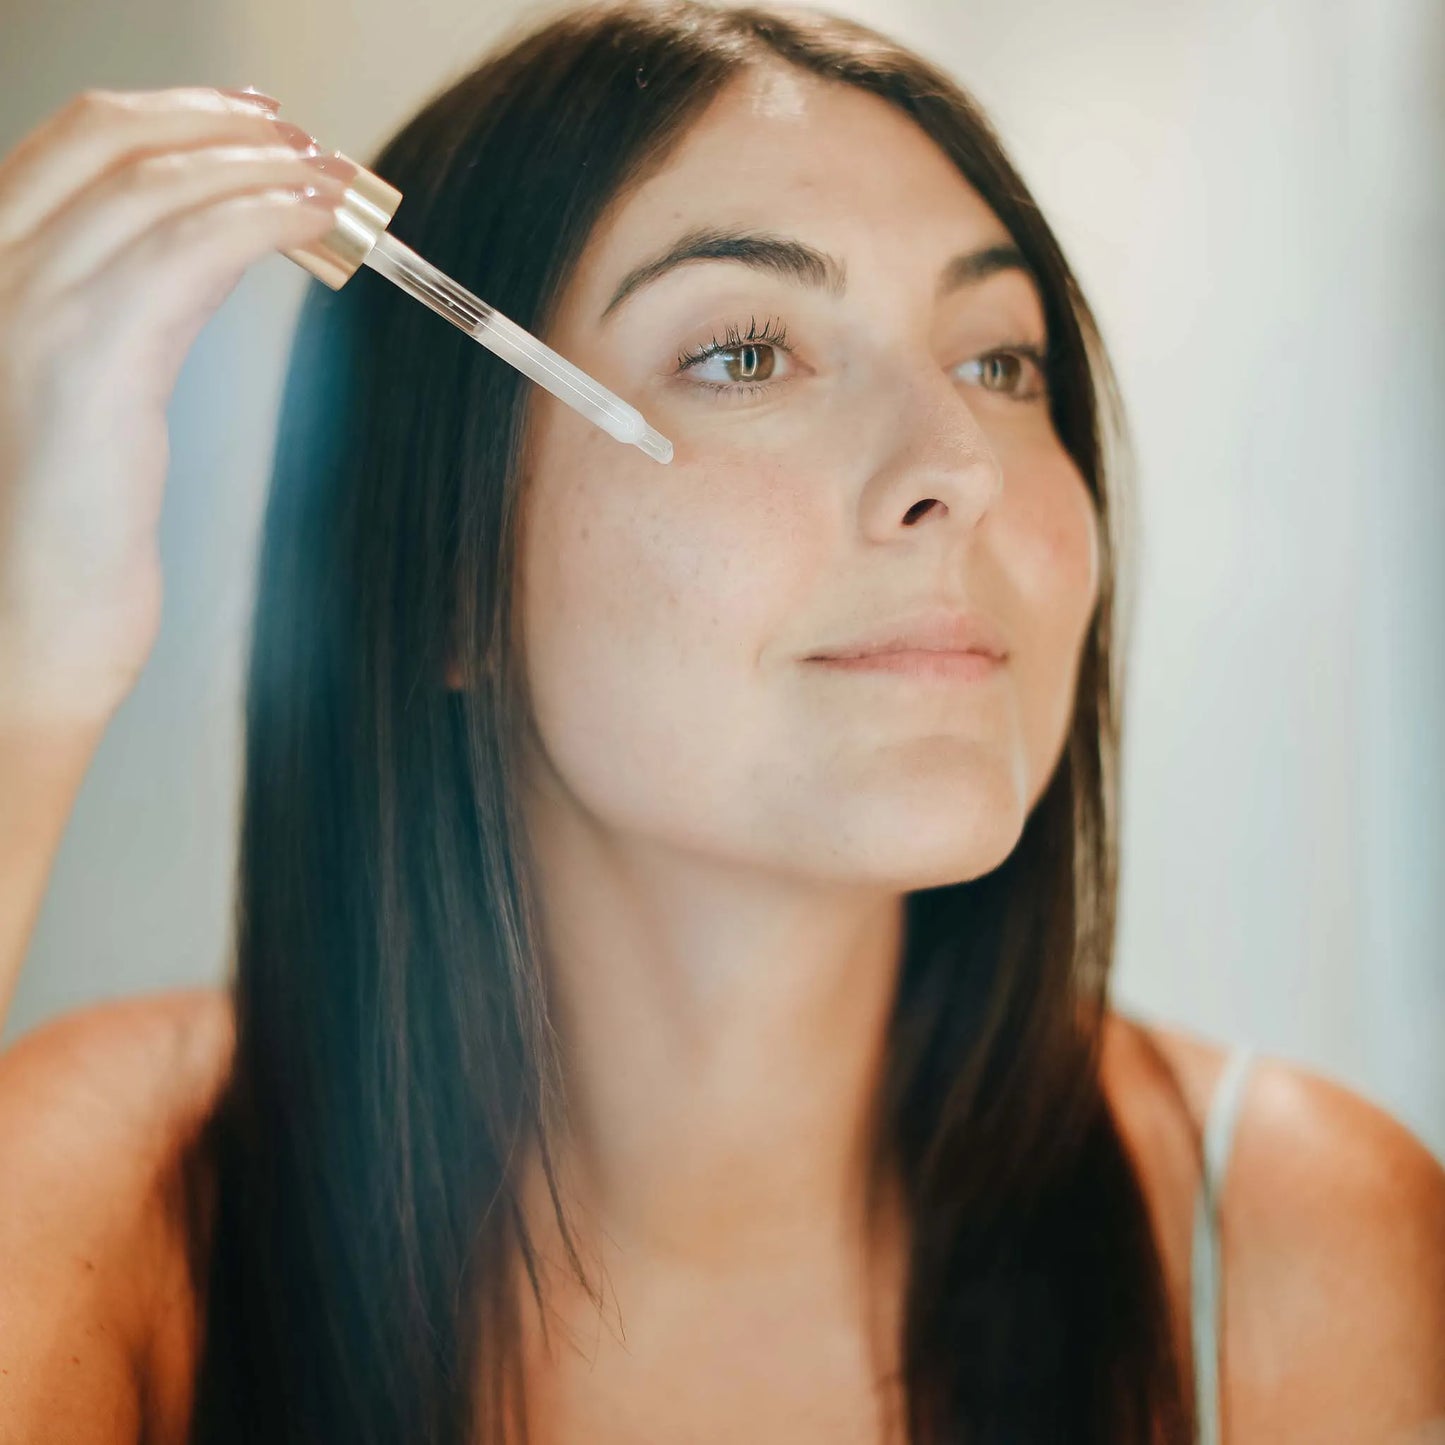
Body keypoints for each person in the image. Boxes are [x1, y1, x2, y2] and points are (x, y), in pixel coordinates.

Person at [0, 3, 1441, 1442]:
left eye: (999, 362)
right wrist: (24, 677)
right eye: (747, 354)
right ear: (444, 566)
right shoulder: (108, 1195)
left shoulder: (1290, 1241)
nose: (957, 466)